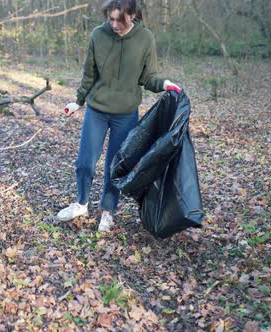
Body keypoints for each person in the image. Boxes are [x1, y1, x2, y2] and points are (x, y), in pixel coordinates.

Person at [57, 0, 181, 232]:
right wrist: (78, 101)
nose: (113, 24)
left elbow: (148, 77)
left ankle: (108, 211)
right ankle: (81, 203)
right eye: (110, 18)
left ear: (132, 15)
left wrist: (164, 84)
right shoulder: (98, 35)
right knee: (85, 162)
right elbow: (89, 73)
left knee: (115, 167)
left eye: (119, 20)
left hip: (125, 115)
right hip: (97, 111)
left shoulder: (145, 39)